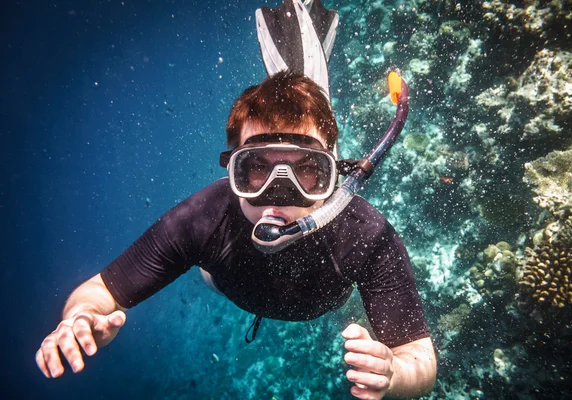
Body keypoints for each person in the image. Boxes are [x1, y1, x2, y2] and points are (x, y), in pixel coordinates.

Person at [36, 70, 436, 399]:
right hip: (225, 281)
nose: (277, 194)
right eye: (258, 168)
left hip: (327, 298)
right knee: (208, 275)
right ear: (233, 170)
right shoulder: (203, 219)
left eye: (306, 169)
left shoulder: (365, 234)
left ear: (333, 175)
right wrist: (80, 316)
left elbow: (419, 358)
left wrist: (395, 374)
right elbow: (97, 291)